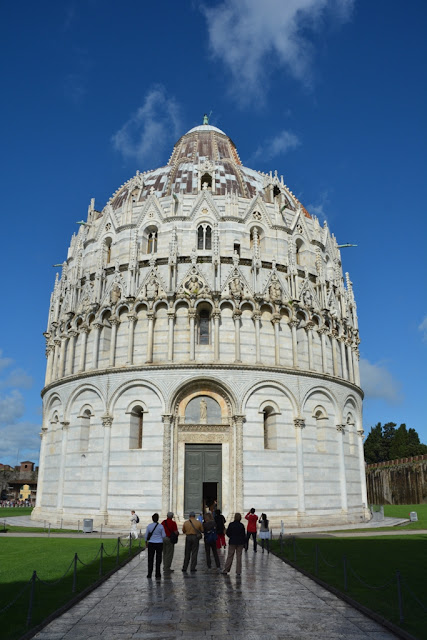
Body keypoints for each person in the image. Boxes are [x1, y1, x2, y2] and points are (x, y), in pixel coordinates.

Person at [144, 513, 166, 579]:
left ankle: (149, 573)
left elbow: (146, 535)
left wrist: (146, 543)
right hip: (159, 543)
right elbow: (164, 535)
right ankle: (158, 573)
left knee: (150, 559)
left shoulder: (149, 526)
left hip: (151, 543)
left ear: (152, 519)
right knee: (158, 559)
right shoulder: (161, 526)